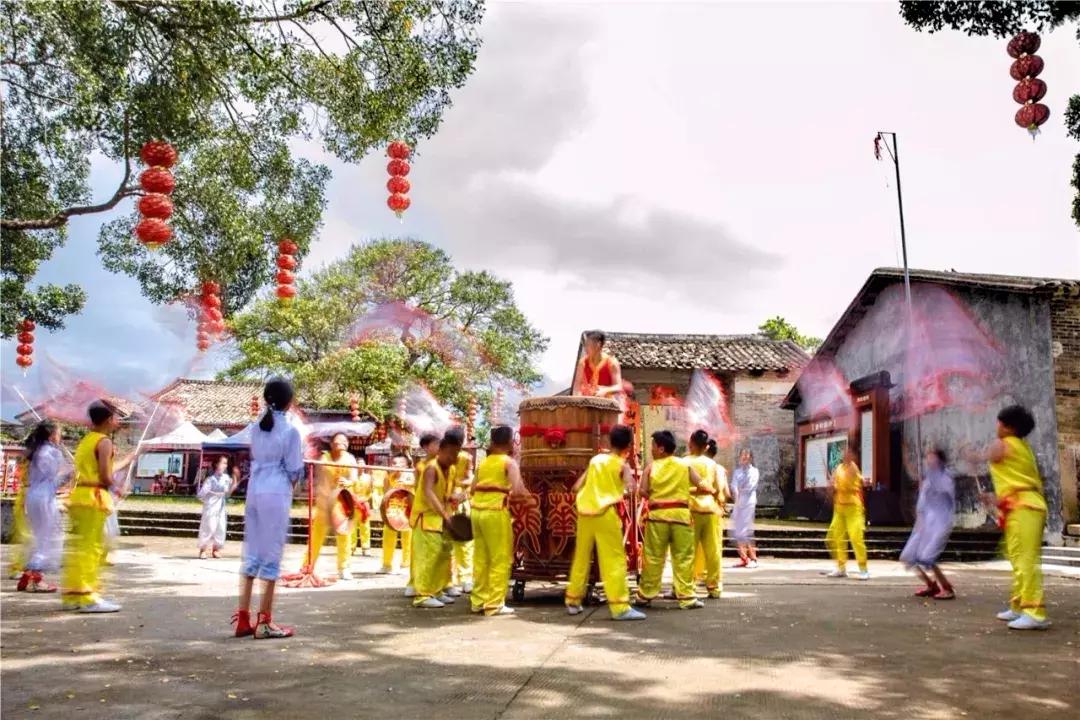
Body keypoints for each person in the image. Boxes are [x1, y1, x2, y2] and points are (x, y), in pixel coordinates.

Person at [233, 378, 305, 639]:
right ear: (290, 401)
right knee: (272, 553)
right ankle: (264, 621)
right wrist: (294, 484)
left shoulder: (255, 428)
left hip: (255, 488)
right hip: (276, 490)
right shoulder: (291, 431)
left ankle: (243, 618)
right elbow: (295, 468)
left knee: (252, 551)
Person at [972, 405, 1049, 630]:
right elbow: (1017, 483)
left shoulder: (1004, 444)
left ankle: (1034, 612)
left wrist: (970, 454)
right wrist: (992, 499)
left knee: (1025, 560)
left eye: (1000, 423)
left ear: (1009, 427)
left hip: (1025, 507)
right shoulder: (1023, 448)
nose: (997, 426)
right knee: (1017, 557)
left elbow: (988, 455)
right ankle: (1019, 606)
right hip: (1021, 505)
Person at [60, 401, 135, 613]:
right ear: (109, 420)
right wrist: (118, 488)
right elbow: (104, 475)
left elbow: (98, 469)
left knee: (82, 547)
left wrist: (126, 460)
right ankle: (88, 597)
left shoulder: (87, 440)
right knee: (93, 548)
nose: (118, 422)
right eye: (116, 417)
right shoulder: (104, 442)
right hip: (95, 496)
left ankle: (74, 594)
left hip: (82, 495)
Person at [565, 425, 645, 621]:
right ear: (628, 445)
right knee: (614, 560)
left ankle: (573, 600)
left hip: (584, 513)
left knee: (581, 557)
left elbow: (576, 487)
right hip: (605, 513)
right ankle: (620, 607)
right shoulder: (621, 465)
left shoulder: (596, 460)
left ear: (609, 442)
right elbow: (632, 488)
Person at [635, 430, 708, 610]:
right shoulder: (684, 465)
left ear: (661, 448)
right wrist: (686, 492)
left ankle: (645, 595)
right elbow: (704, 486)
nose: (651, 450)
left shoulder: (651, 467)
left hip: (657, 517)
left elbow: (642, 491)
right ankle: (686, 597)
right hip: (681, 518)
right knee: (683, 558)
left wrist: (657, 495)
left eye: (652, 446)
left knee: (653, 557)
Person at [470, 425, 529, 616]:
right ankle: (494, 604)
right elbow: (519, 490)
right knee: (500, 558)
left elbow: (472, 489)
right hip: (496, 512)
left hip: (477, 512)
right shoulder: (508, 463)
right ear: (511, 442)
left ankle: (478, 601)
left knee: (481, 558)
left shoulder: (483, 463)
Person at [17, 421, 71, 593]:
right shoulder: (52, 452)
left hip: (33, 496)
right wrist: (70, 472)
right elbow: (55, 478)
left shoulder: (38, 450)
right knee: (48, 538)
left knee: (40, 536)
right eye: (59, 433)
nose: (61, 436)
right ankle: (36, 579)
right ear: (51, 435)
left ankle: (28, 573)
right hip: (45, 498)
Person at [409, 433, 462, 608]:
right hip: (426, 518)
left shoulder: (452, 469)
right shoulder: (430, 468)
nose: (453, 457)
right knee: (428, 558)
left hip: (442, 519)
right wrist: (445, 513)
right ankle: (423, 595)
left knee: (442, 557)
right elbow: (428, 493)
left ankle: (437, 590)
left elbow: (446, 494)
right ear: (441, 452)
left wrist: (455, 497)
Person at [900, 446, 955, 599]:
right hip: (924, 524)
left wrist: (930, 486)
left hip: (940, 523)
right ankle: (931, 585)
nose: (928, 460)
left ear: (940, 460)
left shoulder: (945, 477)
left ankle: (947, 588)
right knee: (908, 556)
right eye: (927, 457)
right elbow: (922, 504)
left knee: (927, 556)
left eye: (932, 457)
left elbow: (945, 494)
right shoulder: (928, 479)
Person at [305, 433, 360, 580]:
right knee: (316, 536)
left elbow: (354, 478)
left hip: (342, 502)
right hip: (325, 502)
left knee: (344, 535)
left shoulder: (350, 459)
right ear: (331, 444)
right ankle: (307, 566)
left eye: (344, 441)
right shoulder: (325, 458)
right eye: (338, 440)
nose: (341, 443)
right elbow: (321, 478)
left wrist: (349, 482)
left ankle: (344, 567)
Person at [683, 430, 724, 598]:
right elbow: (719, 489)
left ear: (690, 443)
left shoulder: (683, 462)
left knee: (687, 551)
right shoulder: (713, 465)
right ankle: (714, 587)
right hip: (710, 510)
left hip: (690, 510)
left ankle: (686, 586)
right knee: (713, 551)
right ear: (706, 447)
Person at [823, 446, 870, 580]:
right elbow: (835, 483)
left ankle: (863, 569)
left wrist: (863, 481)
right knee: (833, 537)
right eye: (844, 453)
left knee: (856, 538)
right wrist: (831, 485)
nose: (845, 455)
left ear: (853, 456)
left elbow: (855, 481)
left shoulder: (853, 467)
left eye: (848, 453)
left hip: (853, 508)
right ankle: (841, 567)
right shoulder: (839, 468)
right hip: (839, 508)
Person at [404, 433, 440, 599]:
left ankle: (434, 588)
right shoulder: (421, 467)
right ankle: (414, 584)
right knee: (419, 553)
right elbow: (421, 491)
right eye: (435, 444)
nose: (439, 447)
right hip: (424, 513)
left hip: (434, 514)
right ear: (426, 447)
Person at [445, 425, 474, 596]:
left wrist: (461, 488)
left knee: (464, 541)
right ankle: (449, 580)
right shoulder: (442, 457)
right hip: (446, 501)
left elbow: (470, 477)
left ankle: (466, 578)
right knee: (448, 542)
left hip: (461, 499)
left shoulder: (466, 457)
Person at [379, 454, 414, 574]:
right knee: (388, 535)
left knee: (407, 537)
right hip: (392, 509)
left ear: (406, 465)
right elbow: (385, 492)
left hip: (406, 509)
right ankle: (386, 564)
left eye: (400, 463)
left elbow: (414, 490)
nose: (396, 465)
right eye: (394, 463)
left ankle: (406, 564)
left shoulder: (410, 475)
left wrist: (406, 484)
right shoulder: (388, 476)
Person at [198, 456, 234, 559]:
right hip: (211, 505)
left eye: (226, 463)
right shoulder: (211, 479)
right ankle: (203, 549)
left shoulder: (226, 478)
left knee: (220, 527)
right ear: (217, 464)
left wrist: (232, 484)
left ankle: (216, 549)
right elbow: (201, 494)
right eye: (223, 463)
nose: (225, 465)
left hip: (221, 506)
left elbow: (227, 493)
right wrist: (212, 493)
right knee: (208, 526)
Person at [731, 448, 760, 569]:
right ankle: (744, 558)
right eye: (743, 455)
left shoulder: (754, 471)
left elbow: (750, 486)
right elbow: (733, 485)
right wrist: (737, 497)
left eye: (747, 455)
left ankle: (753, 558)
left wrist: (739, 489)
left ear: (751, 457)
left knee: (746, 531)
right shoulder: (737, 472)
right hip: (738, 503)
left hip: (748, 502)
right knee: (737, 531)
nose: (744, 457)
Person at [572, 330, 623, 399]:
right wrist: (577, 399)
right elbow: (576, 387)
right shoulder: (583, 362)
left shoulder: (611, 363)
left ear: (598, 345)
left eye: (588, 345)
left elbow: (618, 386)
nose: (586, 348)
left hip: (607, 403)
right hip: (586, 401)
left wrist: (605, 390)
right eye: (585, 345)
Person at [352, 457, 374, 557]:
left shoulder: (369, 478)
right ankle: (351, 547)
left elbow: (371, 492)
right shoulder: (352, 477)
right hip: (353, 504)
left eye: (362, 463)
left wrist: (365, 499)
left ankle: (366, 548)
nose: (360, 465)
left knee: (365, 527)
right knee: (352, 527)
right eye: (358, 463)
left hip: (364, 503)